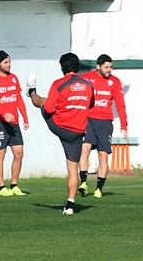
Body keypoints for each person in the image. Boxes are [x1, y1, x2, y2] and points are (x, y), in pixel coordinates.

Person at [27, 53, 94, 215]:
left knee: (43, 103)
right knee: (73, 169)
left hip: (60, 126)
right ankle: (70, 206)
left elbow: (50, 109)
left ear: (62, 67)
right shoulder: (88, 85)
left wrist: (52, 103)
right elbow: (91, 104)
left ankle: (30, 90)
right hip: (78, 132)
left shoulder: (59, 83)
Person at [78, 54, 128, 198]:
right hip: (88, 120)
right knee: (85, 149)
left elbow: (120, 104)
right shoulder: (87, 78)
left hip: (105, 123)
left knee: (103, 155)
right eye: (106, 67)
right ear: (98, 67)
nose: (109, 70)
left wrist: (124, 125)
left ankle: (99, 188)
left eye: (111, 67)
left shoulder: (115, 82)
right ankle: (83, 183)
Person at [0, 50, 29, 197]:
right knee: (0, 154)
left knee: (19, 153)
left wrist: (25, 118)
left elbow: (19, 99)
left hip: (14, 123)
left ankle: (14, 185)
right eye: (6, 62)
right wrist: (3, 113)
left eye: (9, 62)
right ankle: (1, 187)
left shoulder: (14, 78)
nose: (9, 65)